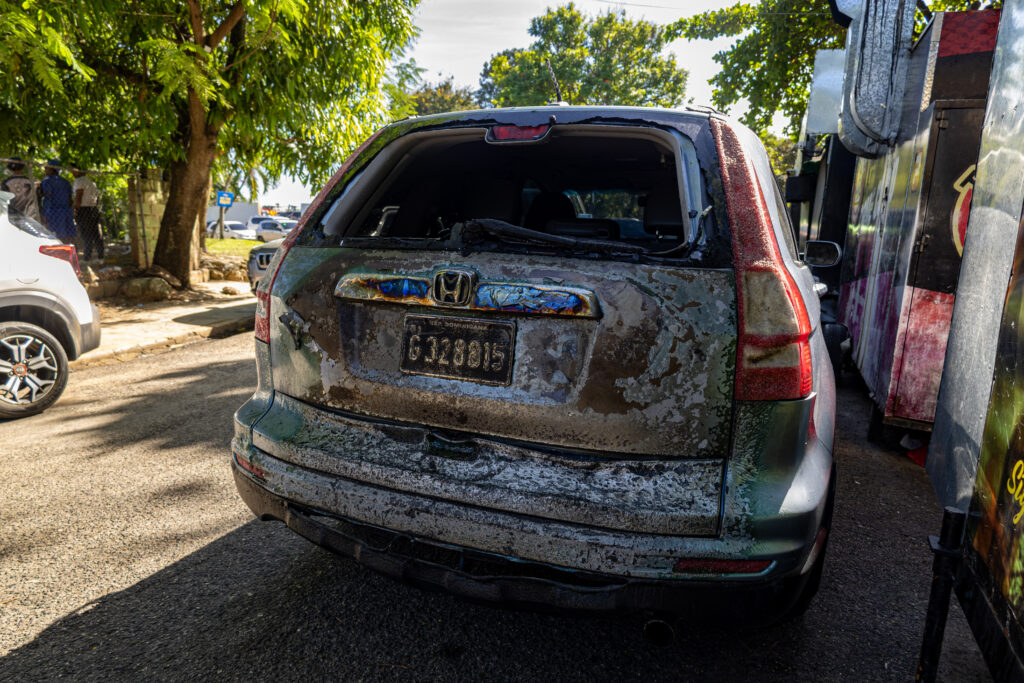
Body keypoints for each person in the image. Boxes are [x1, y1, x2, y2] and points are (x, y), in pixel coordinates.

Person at [38, 159, 75, 245]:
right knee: (68, 236)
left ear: (52, 169)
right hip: (66, 211)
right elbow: (70, 199)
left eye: (46, 168)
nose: (45, 170)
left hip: (53, 212)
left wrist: (44, 214)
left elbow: (48, 196)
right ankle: (70, 252)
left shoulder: (47, 181)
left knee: (55, 236)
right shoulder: (65, 182)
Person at [72, 166, 103, 261]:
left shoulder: (79, 181)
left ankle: (87, 257)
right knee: (95, 233)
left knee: (86, 234)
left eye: (74, 170)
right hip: (93, 209)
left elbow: (79, 195)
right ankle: (101, 256)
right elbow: (96, 198)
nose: (72, 172)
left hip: (83, 209)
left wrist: (76, 209)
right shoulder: (92, 183)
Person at [1, 157, 41, 223]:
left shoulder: (6, 183)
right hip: (31, 217)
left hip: (14, 217)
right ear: (22, 168)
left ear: (11, 169)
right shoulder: (31, 182)